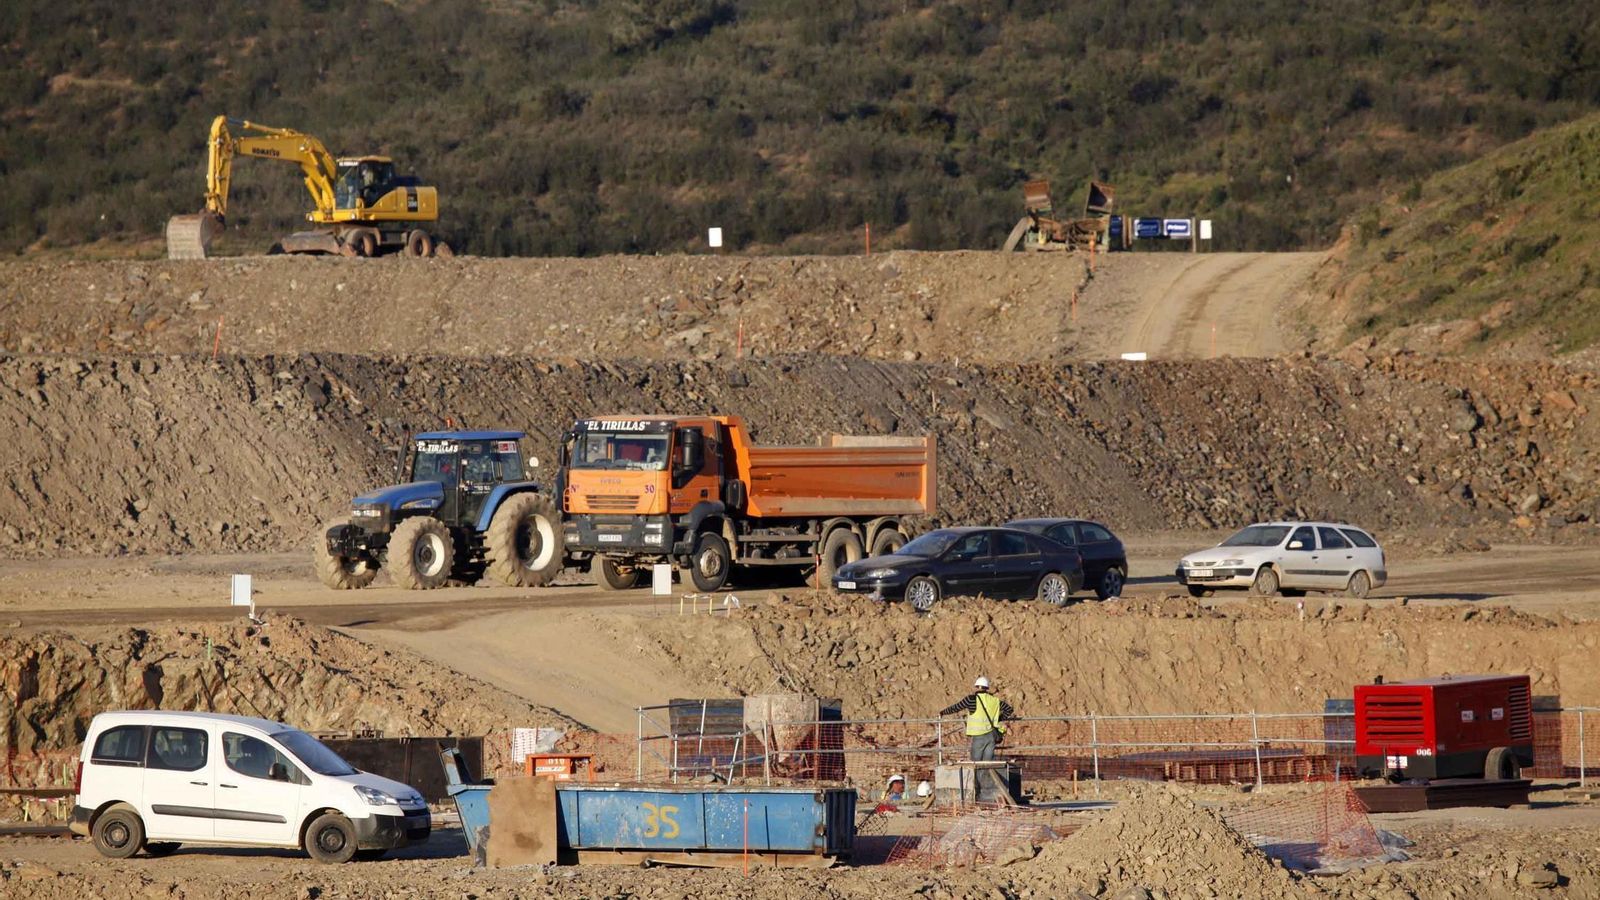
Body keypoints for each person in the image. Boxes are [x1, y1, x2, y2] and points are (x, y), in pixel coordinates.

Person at [940, 676, 1014, 762]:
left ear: (976, 687)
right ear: (987, 688)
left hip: (979, 736)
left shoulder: (971, 699)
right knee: (988, 764)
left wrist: (943, 712)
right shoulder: (994, 700)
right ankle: (986, 775)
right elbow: (1009, 709)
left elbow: (956, 707)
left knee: (976, 763)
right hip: (991, 736)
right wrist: (999, 719)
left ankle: (977, 776)